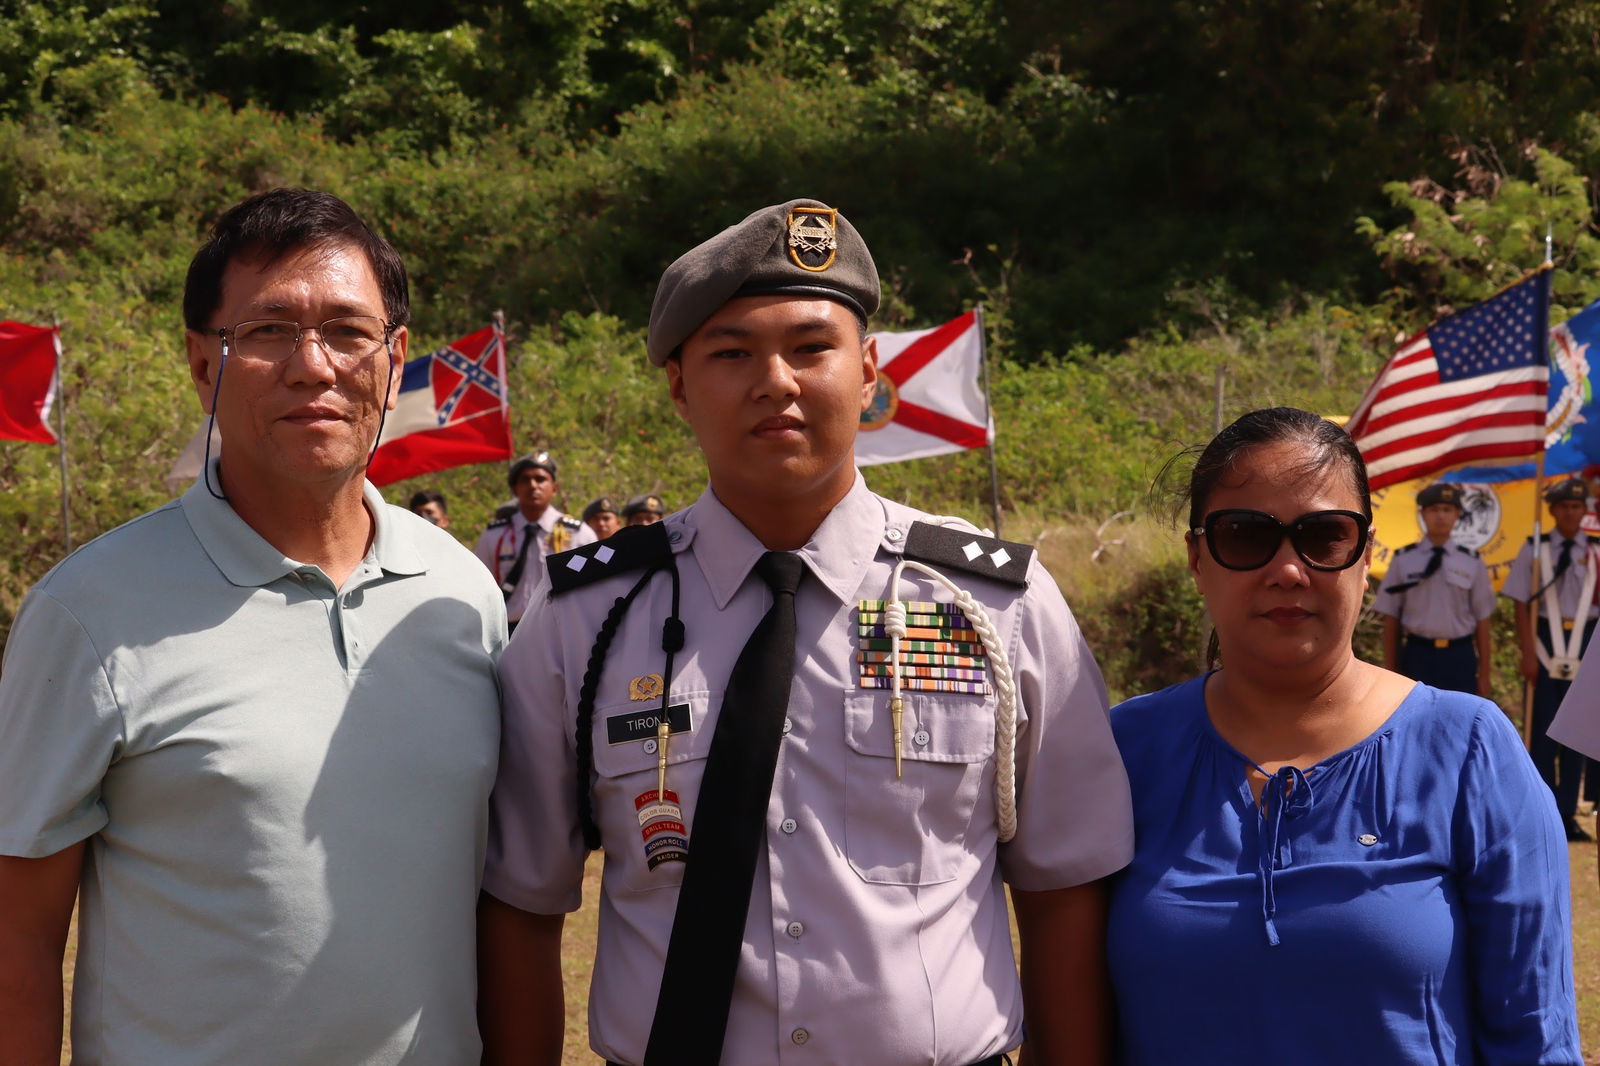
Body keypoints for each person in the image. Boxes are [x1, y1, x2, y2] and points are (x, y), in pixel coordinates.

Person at [479, 198, 1134, 1066]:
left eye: (810, 347)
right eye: (731, 353)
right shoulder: (584, 623)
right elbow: (523, 904)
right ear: (677, 383)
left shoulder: (995, 608)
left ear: (868, 372)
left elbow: (1065, 893)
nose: (776, 382)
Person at [0, 188, 506, 1064]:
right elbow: (18, 937)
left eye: (348, 332)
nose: (314, 366)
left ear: (393, 361)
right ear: (204, 364)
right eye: (268, 332)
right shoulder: (88, 613)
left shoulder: (462, 593)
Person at [1106, 407, 1578, 1065]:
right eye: (1245, 535)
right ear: (1196, 557)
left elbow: (1535, 1037)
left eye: (1324, 535)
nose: (1288, 570)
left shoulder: (1470, 751)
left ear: (1365, 554)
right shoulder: (1122, 752)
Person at [1500, 474, 1598, 842]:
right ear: (1553, 510)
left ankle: (1569, 812)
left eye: (1577, 506)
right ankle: (1541, 811)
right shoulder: (1535, 548)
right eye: (1564, 506)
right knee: (1542, 733)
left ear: (1584, 511)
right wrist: (1527, 653)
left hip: (1587, 641)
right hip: (1544, 642)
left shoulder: (1596, 551)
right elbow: (1521, 604)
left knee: (1578, 737)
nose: (1571, 512)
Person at [1371, 481, 1493, 694]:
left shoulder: (1471, 561)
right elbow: (1391, 618)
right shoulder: (1404, 559)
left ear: (1457, 515)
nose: (1441, 516)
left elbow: (1483, 620)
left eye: (1447, 510)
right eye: (1434, 510)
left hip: (1459, 656)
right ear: (1422, 514)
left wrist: (1484, 674)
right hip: (1417, 655)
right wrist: (1391, 670)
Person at [474, 451, 596, 631]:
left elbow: (592, 589)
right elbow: (482, 587)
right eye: (525, 480)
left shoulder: (579, 534)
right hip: (508, 629)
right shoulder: (494, 535)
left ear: (554, 487)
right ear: (515, 489)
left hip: (561, 629)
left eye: (540, 479)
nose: (532, 485)